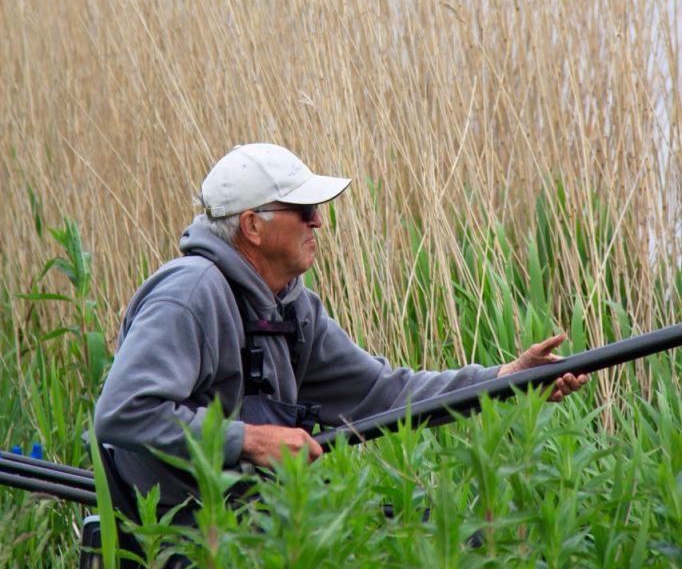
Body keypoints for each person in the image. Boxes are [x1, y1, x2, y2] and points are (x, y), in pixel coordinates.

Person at [94, 143, 587, 513]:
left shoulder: (294, 306)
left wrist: (505, 379)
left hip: (258, 515)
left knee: (428, 526)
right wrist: (250, 440)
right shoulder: (190, 294)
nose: (318, 223)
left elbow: (386, 394)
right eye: (305, 211)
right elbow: (122, 413)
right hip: (179, 534)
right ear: (252, 226)